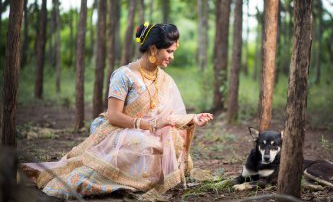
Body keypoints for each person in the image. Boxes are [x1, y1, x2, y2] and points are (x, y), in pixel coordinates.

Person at [22, 22, 213, 200]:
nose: (172, 57)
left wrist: (193, 118)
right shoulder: (124, 75)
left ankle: (139, 178)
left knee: (173, 139)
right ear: (154, 49)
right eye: (169, 52)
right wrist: (150, 125)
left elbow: (168, 117)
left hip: (151, 131)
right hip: (119, 130)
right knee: (141, 142)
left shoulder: (165, 79)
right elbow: (114, 116)